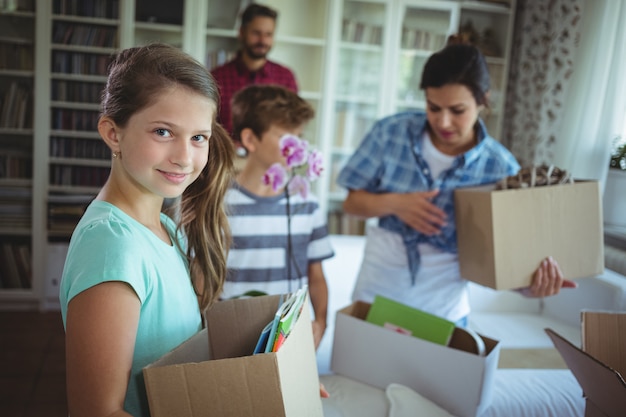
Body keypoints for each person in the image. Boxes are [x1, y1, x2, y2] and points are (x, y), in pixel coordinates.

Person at [336, 43, 577, 326]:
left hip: (444, 305)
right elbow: (351, 204)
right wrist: (395, 203)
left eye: (457, 110)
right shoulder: (391, 133)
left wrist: (529, 286)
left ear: (483, 100)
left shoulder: (501, 168)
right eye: (433, 107)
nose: (443, 121)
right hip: (378, 288)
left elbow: (504, 254)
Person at [59, 43, 235, 417]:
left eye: (198, 137)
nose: (184, 158)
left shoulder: (164, 227)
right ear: (113, 133)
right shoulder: (112, 247)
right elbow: (96, 411)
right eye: (162, 132)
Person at [223, 84, 334, 349]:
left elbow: (316, 275)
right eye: (287, 137)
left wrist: (321, 322)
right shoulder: (218, 205)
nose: (299, 146)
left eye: (300, 135)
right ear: (250, 140)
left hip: (288, 336)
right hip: (230, 334)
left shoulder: (306, 203)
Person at [211, 3, 298, 136]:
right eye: (256, 33)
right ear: (241, 32)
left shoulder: (285, 77)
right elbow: (208, 124)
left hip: (271, 155)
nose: (262, 40)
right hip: (228, 154)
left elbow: (292, 124)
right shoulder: (217, 77)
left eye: (268, 34)